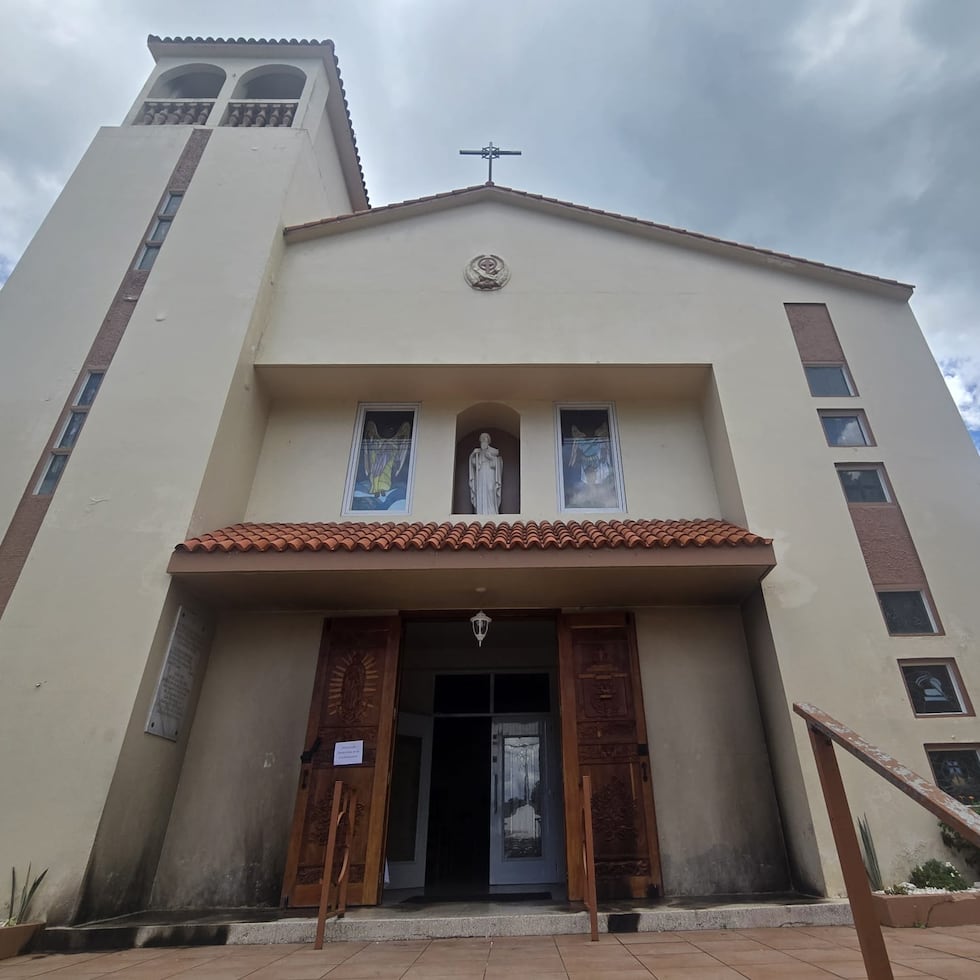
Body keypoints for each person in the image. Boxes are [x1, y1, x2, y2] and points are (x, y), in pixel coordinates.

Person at [469, 432, 503, 515]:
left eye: (485, 438)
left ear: (488, 440)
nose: (484, 440)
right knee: (480, 489)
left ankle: (492, 511)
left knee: (491, 489)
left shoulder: (493, 451)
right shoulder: (478, 452)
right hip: (480, 473)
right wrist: (473, 454)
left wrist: (491, 458)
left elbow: (498, 463)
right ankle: (480, 510)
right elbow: (473, 464)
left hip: (490, 472)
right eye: (482, 438)